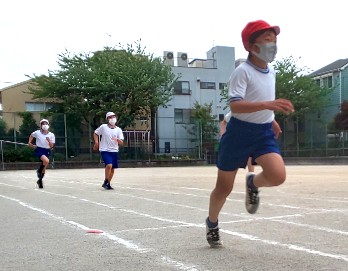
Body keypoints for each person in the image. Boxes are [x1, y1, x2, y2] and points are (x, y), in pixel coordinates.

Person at [206, 20, 294, 247]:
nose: (273, 45)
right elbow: (236, 106)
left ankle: (253, 183)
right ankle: (212, 223)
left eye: (274, 40)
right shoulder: (242, 72)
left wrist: (271, 119)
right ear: (252, 46)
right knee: (223, 188)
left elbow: (262, 101)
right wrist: (268, 105)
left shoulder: (271, 72)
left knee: (278, 175)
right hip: (238, 134)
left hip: (263, 132)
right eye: (267, 40)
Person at [93, 112, 124, 190]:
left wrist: (117, 139)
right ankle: (106, 180)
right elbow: (95, 133)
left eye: (113, 116)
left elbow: (121, 143)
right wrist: (97, 142)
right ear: (107, 119)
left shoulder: (118, 130)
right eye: (110, 117)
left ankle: (108, 184)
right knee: (109, 165)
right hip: (105, 150)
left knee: (112, 169)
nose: (112, 118)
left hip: (114, 150)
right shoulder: (103, 127)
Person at [28, 119, 55, 189]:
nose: (45, 125)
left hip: (47, 150)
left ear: (48, 125)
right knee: (46, 161)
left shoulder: (51, 135)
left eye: (46, 124)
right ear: (41, 125)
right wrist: (30, 142)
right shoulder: (37, 133)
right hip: (39, 149)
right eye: (43, 124)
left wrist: (49, 141)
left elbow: (52, 146)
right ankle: (39, 170)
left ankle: (40, 180)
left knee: (44, 169)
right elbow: (31, 135)